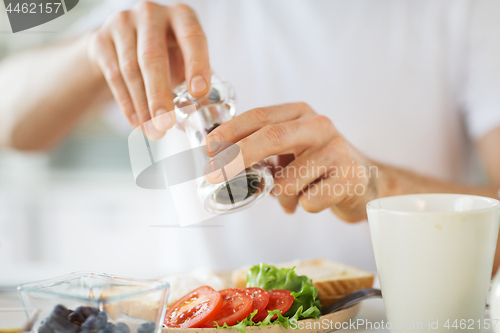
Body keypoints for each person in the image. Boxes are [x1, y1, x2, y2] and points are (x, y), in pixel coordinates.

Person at [1, 0, 500, 274]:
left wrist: (377, 187)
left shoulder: (467, 10)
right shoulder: (163, 7)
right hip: (206, 319)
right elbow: (11, 122)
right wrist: (93, 52)